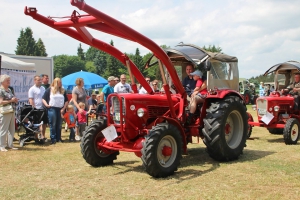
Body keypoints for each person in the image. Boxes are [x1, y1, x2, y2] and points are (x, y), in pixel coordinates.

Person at [42, 78, 68, 144]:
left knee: (59, 124)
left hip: (60, 108)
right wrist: (46, 105)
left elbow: (66, 101)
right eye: (60, 82)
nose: (61, 83)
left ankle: (58, 138)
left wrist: (63, 108)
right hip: (52, 108)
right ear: (56, 82)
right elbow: (43, 98)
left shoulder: (62, 90)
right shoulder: (49, 90)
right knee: (53, 124)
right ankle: (53, 138)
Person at [0, 74, 18, 151]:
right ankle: (2, 145)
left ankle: (10, 145)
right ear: (2, 81)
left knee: (11, 129)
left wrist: (15, 100)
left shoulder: (9, 90)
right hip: (5, 111)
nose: (9, 82)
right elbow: (1, 102)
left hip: (11, 110)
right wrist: (11, 100)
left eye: (9, 80)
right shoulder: (1, 90)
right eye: (7, 80)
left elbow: (12, 98)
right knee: (4, 129)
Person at [28, 75, 48, 141]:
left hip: (43, 108)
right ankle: (36, 137)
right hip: (36, 108)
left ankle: (43, 136)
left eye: (40, 80)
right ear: (34, 81)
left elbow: (44, 98)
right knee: (36, 123)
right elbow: (31, 99)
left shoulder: (43, 88)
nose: (40, 81)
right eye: (38, 80)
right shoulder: (32, 89)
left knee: (44, 122)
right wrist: (33, 107)